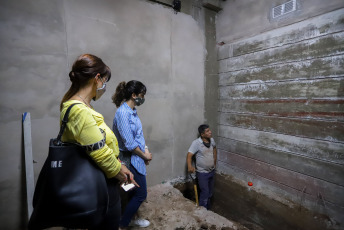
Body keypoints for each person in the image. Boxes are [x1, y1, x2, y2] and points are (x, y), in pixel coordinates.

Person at [60, 54, 138, 230]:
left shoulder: (85, 107)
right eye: (104, 81)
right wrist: (120, 172)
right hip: (97, 184)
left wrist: (117, 164)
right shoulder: (78, 110)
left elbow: (96, 145)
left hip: (103, 177)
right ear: (97, 78)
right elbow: (99, 152)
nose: (104, 86)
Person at [112, 80, 153, 229]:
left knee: (131, 191)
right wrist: (144, 156)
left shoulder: (133, 112)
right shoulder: (123, 113)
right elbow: (129, 144)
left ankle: (134, 218)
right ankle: (123, 224)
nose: (143, 98)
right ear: (134, 95)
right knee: (140, 194)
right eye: (142, 95)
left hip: (137, 157)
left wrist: (146, 150)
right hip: (127, 161)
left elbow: (138, 137)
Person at [187, 124, 217, 209]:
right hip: (202, 173)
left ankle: (208, 209)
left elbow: (214, 149)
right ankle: (203, 211)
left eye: (209, 130)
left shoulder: (212, 140)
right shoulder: (196, 143)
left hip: (211, 171)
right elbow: (189, 155)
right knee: (205, 192)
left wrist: (214, 162)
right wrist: (190, 166)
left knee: (210, 193)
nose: (210, 132)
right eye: (207, 131)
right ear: (202, 134)